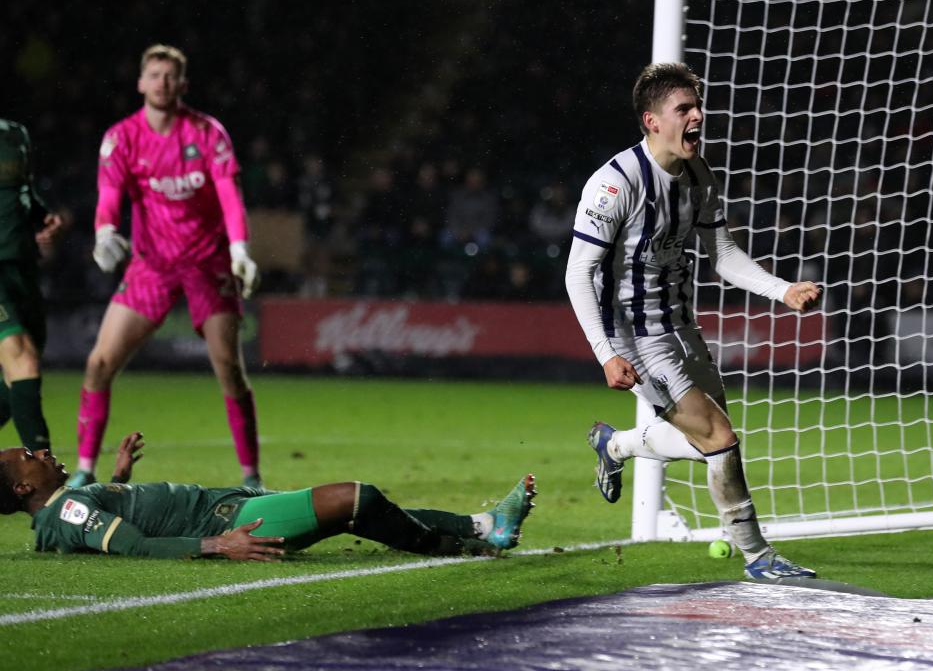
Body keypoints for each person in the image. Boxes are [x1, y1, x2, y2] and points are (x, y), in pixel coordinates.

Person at [564, 62, 823, 582]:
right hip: (635, 337)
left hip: (682, 325)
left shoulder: (698, 174)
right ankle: (758, 556)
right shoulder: (615, 184)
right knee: (719, 437)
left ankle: (615, 445)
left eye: (697, 106)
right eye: (684, 108)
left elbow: (722, 253)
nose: (698, 116)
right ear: (653, 120)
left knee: (712, 444)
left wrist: (782, 290)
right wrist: (606, 354)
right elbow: (577, 273)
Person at [69, 44, 264, 489]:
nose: (162, 83)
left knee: (229, 368)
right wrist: (104, 233)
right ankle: (83, 469)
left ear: (183, 84)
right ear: (141, 82)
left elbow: (230, 195)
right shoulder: (122, 137)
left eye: (171, 76)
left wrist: (239, 250)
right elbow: (109, 196)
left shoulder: (207, 133)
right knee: (99, 363)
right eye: (155, 75)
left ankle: (251, 476)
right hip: (152, 267)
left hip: (208, 262)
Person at [0, 432, 536, 560]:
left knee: (368, 514)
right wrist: (219, 544)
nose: (40, 451)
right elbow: (133, 544)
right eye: (28, 456)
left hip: (229, 504)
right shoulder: (67, 510)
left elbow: (98, 517)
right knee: (359, 499)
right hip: (232, 520)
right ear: (23, 487)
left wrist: (119, 477)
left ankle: (483, 526)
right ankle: (458, 544)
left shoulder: (68, 503)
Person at [0, 119, 65, 454]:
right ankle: (44, 473)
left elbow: (22, 191)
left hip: (22, 268)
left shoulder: (15, 133)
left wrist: (43, 218)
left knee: (20, 376)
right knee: (23, 360)